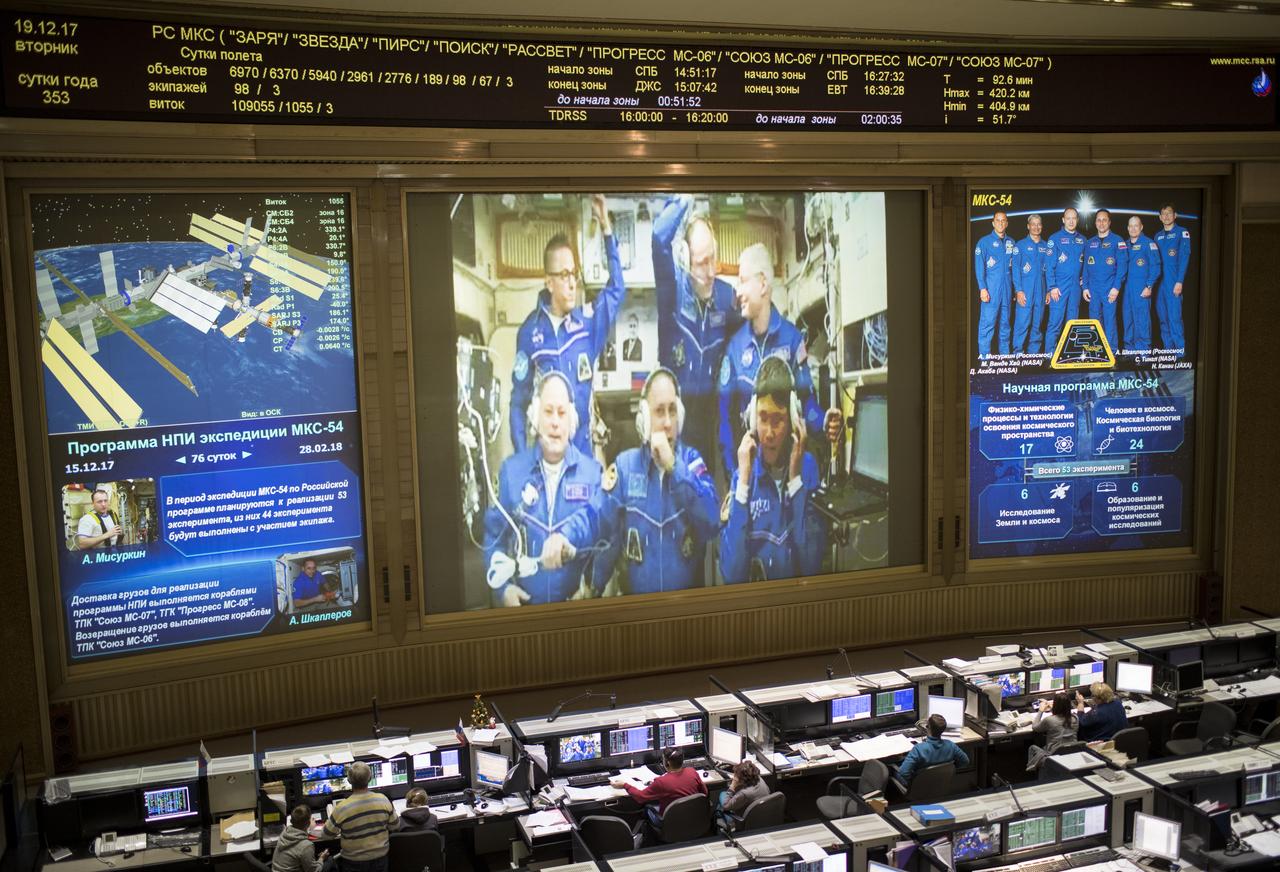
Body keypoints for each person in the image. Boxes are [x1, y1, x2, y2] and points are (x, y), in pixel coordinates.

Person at [510, 194, 625, 455]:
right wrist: (521, 459)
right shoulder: (530, 333)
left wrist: (606, 227)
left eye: (574, 274)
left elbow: (617, 289)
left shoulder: (587, 325)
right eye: (564, 276)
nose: (573, 283)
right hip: (545, 461)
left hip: (583, 457)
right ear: (549, 283)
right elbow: (518, 403)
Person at [718, 242, 842, 476]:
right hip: (751, 475)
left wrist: (824, 422)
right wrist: (734, 476)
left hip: (790, 470)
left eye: (743, 281)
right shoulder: (734, 348)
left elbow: (806, 404)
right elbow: (723, 419)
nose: (738, 291)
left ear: (763, 283)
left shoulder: (793, 340)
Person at [592, 369, 719, 594]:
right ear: (644, 418)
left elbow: (711, 523)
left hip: (684, 611)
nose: (668, 422)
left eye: (672, 410)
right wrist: (592, 588)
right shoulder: (625, 466)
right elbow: (605, 536)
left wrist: (674, 467)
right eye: (659, 411)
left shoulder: (691, 463)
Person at [484, 370, 602, 606]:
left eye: (562, 413)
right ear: (535, 417)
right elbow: (492, 538)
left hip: (577, 611)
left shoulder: (593, 474)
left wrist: (592, 587)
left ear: (572, 421)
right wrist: (504, 590)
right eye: (548, 412)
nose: (555, 422)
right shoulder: (511, 472)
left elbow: (607, 540)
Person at [652, 194, 742, 466]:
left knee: (702, 497)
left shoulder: (727, 299)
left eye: (712, 259)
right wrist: (683, 200)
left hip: (708, 425)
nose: (710, 271)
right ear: (685, 260)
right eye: (701, 263)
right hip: (671, 423)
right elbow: (658, 239)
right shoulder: (672, 295)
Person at [720, 357, 826, 584]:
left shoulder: (807, 468)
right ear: (751, 419)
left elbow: (812, 566)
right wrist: (743, 487)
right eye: (763, 418)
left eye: (778, 420)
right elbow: (731, 575)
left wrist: (795, 481)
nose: (768, 433)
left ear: (793, 421)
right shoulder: (743, 475)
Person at [611, 746, 707, 837]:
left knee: (647, 808)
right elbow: (704, 793)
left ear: (667, 763)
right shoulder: (692, 772)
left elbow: (640, 797)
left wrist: (624, 785)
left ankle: (647, 843)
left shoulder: (662, 782)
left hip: (671, 824)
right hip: (693, 820)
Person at [321, 761, 398, 872]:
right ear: (370, 778)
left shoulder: (342, 807)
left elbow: (325, 835)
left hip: (353, 862)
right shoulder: (383, 799)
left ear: (348, 781)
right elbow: (395, 826)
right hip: (380, 859)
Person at [1082, 209, 1127, 349]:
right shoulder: (1090, 243)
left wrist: (1116, 287)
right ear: (1095, 223)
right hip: (1093, 289)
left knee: (1109, 321)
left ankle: (1112, 353)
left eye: (1104, 220)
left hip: (1109, 288)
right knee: (1094, 322)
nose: (1101, 223)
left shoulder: (1118, 241)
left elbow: (1122, 266)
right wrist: (1085, 288)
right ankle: (1098, 352)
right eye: (1099, 220)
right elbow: (1085, 267)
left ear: (1109, 222)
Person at [974, 210, 1017, 357]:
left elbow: (1015, 270)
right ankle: (985, 359)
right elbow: (979, 268)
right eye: (997, 220)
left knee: (1005, 325)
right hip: (991, 290)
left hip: (1007, 291)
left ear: (1007, 223)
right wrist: (982, 288)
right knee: (987, 324)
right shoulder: (984, 242)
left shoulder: (1011, 243)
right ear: (993, 223)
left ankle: (1004, 358)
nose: (1000, 223)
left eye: (1003, 220)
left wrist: (1015, 290)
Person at [1045, 207, 1086, 351]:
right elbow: (1049, 266)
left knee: (1072, 322)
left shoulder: (1082, 240)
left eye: (1074, 218)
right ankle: (1049, 356)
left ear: (1077, 220)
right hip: (1059, 287)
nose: (1071, 221)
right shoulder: (1054, 239)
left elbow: (1087, 264)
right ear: (1063, 220)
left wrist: (1084, 280)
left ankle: (1069, 353)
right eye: (1068, 218)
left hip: (1075, 287)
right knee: (1055, 322)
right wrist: (1052, 287)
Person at [1154, 203, 1191, 351]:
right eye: (1163, 214)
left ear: (1175, 215)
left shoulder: (1182, 233)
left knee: (1174, 317)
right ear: (1160, 217)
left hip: (1173, 281)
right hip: (1159, 284)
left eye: (1169, 213)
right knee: (1163, 318)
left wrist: (1180, 281)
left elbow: (1184, 257)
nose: (1166, 216)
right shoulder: (1158, 236)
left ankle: (1180, 351)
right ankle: (1168, 350)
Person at [1013, 213, 1052, 354]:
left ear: (1041, 226)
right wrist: (1018, 290)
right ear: (1028, 226)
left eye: (1039, 224)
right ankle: (1018, 353)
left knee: (1038, 324)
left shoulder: (1047, 246)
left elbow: (1049, 270)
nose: (1036, 227)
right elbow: (1015, 270)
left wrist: (1048, 290)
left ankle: (1033, 355)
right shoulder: (1020, 246)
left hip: (1041, 291)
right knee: (1022, 323)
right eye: (1033, 224)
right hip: (1025, 290)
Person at [1122, 215, 1162, 352]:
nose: (1133, 229)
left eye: (1136, 225)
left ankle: (1144, 350)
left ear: (1141, 227)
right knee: (1128, 318)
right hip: (1127, 289)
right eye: (1131, 226)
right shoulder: (1124, 245)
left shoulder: (1148, 243)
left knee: (1142, 319)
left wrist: (1149, 285)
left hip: (1142, 288)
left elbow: (1156, 266)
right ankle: (1130, 349)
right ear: (1128, 228)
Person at [897, 714, 969, 785]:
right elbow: (965, 761)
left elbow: (903, 773)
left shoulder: (918, 749)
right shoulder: (951, 746)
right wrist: (949, 769)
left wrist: (914, 781)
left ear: (927, 728)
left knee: (892, 770)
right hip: (941, 784)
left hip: (920, 786)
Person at [1026, 693, 1079, 772]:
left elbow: (1035, 727)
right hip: (1071, 753)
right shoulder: (1075, 718)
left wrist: (1041, 710)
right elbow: (1061, 718)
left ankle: (1032, 771)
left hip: (1053, 755)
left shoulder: (1049, 720)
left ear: (1056, 705)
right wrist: (1052, 708)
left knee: (1032, 747)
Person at [273, 805, 330, 872]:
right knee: (330, 861)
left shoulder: (285, 832)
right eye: (312, 819)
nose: (313, 820)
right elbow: (313, 871)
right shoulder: (306, 845)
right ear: (308, 823)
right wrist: (321, 859)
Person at [718, 760, 770, 827]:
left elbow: (726, 806)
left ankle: (718, 816)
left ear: (742, 779)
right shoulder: (759, 779)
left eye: (735, 775)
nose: (734, 776)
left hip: (744, 820)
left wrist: (732, 786)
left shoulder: (743, 794)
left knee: (722, 794)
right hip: (762, 815)